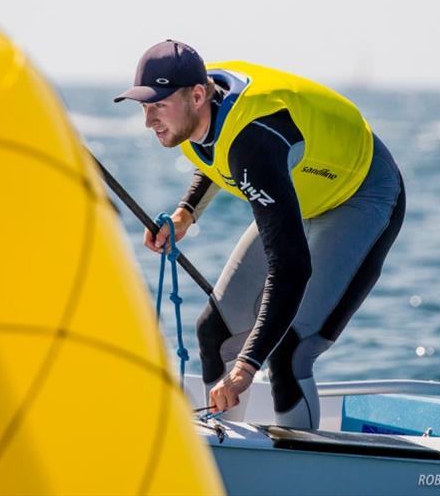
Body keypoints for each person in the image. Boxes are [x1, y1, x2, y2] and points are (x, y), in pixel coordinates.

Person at [113, 40, 405, 429]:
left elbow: (290, 268)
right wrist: (186, 214)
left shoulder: (254, 141)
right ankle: (222, 446)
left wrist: (247, 367)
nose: (149, 120)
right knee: (216, 333)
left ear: (197, 95)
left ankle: (298, 475)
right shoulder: (192, 106)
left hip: (362, 194)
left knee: (289, 352)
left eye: (158, 106)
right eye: (144, 107)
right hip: (300, 192)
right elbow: (215, 152)